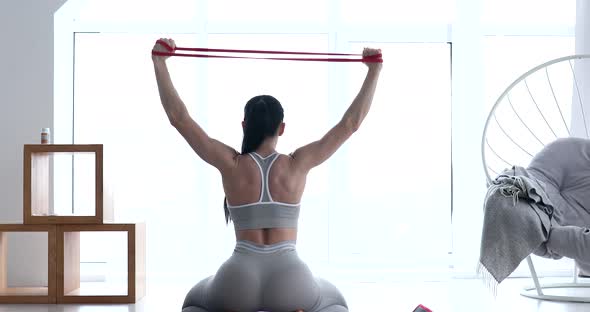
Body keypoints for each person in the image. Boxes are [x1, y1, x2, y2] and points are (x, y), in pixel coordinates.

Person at [152, 38, 382, 312]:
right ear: (281, 128)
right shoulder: (299, 163)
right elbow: (350, 123)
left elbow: (179, 118)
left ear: (244, 125)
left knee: (193, 302)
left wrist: (159, 62)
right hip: (291, 281)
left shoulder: (231, 163)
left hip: (237, 280)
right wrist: (374, 70)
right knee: (335, 302)